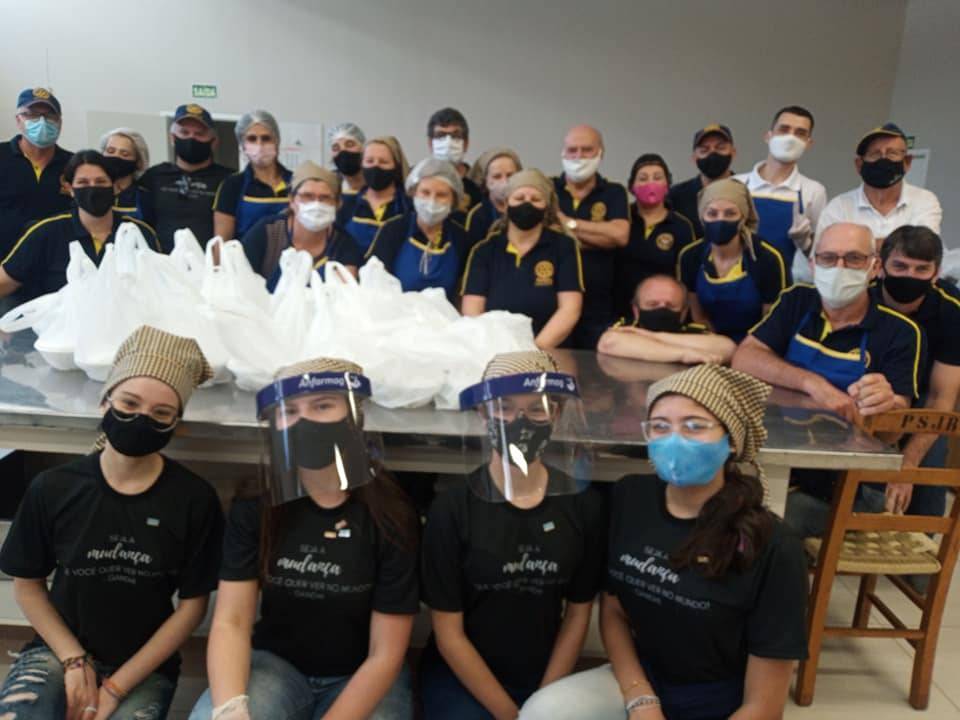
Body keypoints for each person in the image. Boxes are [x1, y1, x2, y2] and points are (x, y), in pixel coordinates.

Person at [519, 364, 808, 720]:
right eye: (660, 427)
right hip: (644, 677)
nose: (674, 440)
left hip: (720, 700)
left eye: (694, 426)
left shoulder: (773, 546)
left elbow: (764, 706)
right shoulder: (631, 497)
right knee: (544, 712)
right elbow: (613, 610)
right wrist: (641, 699)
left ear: (731, 439)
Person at [0, 326, 224, 720]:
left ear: (176, 422)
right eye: (129, 403)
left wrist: (117, 687)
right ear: (105, 401)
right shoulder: (54, 488)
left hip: (144, 666)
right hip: (58, 650)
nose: (141, 418)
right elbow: (27, 585)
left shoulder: (194, 500)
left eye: (161, 413)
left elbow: (192, 608)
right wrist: (73, 661)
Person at [190, 358, 419, 720]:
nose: (304, 420)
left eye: (323, 406)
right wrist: (230, 709)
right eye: (289, 411)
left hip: (361, 673)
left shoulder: (391, 516)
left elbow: (385, 653)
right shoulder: (256, 506)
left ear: (354, 415)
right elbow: (231, 620)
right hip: (274, 666)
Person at [420, 351, 607, 719]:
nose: (519, 421)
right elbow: (448, 632)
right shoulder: (452, 508)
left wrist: (544, 701)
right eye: (503, 408)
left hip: (544, 671)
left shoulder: (582, 504)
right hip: (461, 674)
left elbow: (577, 614)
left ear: (555, 414)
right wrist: (510, 714)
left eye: (536, 409)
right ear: (483, 413)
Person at [732, 222, 926, 536]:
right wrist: (814, 385)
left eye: (853, 259)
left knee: (758, 522)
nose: (839, 268)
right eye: (828, 258)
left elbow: (892, 434)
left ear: (875, 268)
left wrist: (884, 406)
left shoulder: (901, 332)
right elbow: (745, 357)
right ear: (813, 264)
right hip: (778, 459)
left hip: (845, 486)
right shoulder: (797, 300)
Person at [871, 226, 960, 519]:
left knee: (928, 468)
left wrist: (907, 468)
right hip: (870, 390)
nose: (909, 276)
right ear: (880, 266)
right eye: (900, 266)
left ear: (936, 274)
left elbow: (941, 399)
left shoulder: (952, 311)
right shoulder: (861, 296)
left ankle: (923, 537)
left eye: (921, 269)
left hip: (925, 400)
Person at [0, 150, 160, 304]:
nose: (93, 188)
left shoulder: (139, 233)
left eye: (100, 182)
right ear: (70, 189)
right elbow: (5, 281)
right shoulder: (46, 233)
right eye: (83, 182)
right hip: (59, 321)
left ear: (115, 187)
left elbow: (161, 288)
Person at [461, 170, 584, 349]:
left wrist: (533, 351)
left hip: (548, 352)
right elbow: (472, 311)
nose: (527, 204)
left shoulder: (564, 247)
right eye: (519, 198)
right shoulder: (484, 251)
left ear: (547, 207)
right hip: (493, 351)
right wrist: (496, 350)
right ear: (506, 204)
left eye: (536, 199)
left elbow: (569, 309)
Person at [677, 178, 787, 342]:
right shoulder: (690, 256)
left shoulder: (766, 258)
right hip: (709, 341)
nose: (720, 220)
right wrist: (718, 344)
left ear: (743, 217)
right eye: (712, 213)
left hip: (757, 343)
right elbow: (698, 316)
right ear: (702, 217)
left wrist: (744, 350)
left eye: (730, 214)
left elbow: (771, 322)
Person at [553, 125, 630, 350]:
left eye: (587, 150)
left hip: (600, 305)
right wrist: (599, 235)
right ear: (562, 153)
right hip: (553, 303)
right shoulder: (548, 189)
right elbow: (547, 235)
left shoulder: (614, 192)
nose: (578, 156)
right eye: (572, 150)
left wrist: (568, 223)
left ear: (600, 153)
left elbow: (620, 236)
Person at [241, 161, 363, 291]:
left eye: (325, 198)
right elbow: (239, 278)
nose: (316, 204)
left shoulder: (344, 245)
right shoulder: (268, 232)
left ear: (338, 204)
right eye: (307, 196)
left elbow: (344, 294)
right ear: (292, 200)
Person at [817, 123, 942, 244]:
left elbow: (924, 249)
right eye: (874, 154)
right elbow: (823, 252)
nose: (883, 159)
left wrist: (854, 247)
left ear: (907, 162)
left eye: (892, 153)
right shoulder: (838, 207)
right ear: (859, 164)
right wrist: (901, 246)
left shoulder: (924, 201)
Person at [734, 105, 827, 268]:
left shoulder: (814, 191)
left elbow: (821, 256)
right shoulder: (737, 184)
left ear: (808, 143)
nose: (790, 138)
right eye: (784, 130)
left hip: (787, 280)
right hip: (738, 276)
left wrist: (805, 244)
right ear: (768, 136)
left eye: (800, 133)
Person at [366, 157, 471, 300]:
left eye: (441, 195)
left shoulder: (460, 238)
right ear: (413, 193)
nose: (432, 201)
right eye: (425, 193)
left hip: (444, 313)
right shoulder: (394, 230)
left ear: (453, 200)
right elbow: (375, 282)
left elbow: (462, 292)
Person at [139, 104, 232, 251]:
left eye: (199, 134)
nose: (191, 138)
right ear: (172, 138)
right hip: (161, 262)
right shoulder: (153, 176)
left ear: (214, 141)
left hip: (209, 262)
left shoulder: (229, 180)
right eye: (184, 132)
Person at [614, 153, 696, 319]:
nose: (651, 184)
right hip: (618, 309)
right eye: (643, 179)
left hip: (664, 311)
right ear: (631, 186)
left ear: (667, 185)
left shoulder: (681, 226)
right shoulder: (619, 220)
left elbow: (687, 276)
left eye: (657, 178)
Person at [598, 274, 736, 365]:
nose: (662, 310)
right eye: (653, 304)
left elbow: (727, 348)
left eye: (670, 305)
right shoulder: (626, 327)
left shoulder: (693, 331)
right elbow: (608, 343)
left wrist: (651, 336)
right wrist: (683, 355)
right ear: (636, 310)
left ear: (684, 312)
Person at [0, 88, 73, 259]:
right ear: (18, 120)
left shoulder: (73, 164)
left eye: (49, 115)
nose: (42, 121)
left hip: (55, 262)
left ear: (60, 122)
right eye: (32, 114)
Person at [214, 110, 292, 241]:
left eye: (266, 138)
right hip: (244, 254)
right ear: (243, 145)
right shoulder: (232, 185)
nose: (259, 145)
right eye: (252, 139)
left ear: (277, 141)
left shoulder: (296, 182)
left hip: (292, 254)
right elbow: (221, 242)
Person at [342, 136, 411, 253]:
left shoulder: (408, 206)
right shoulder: (346, 204)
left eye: (383, 162)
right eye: (369, 161)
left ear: (396, 166)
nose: (376, 166)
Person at [668, 124, 737, 238]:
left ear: (733, 152)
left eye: (720, 148)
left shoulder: (748, 191)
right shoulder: (675, 196)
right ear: (694, 158)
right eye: (704, 150)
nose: (713, 153)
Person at [426, 107, 482, 221]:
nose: (448, 142)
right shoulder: (418, 181)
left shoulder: (478, 185)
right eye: (441, 135)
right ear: (430, 143)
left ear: (466, 143)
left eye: (455, 136)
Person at [465, 147, 523, 247]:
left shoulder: (528, 206)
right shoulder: (477, 216)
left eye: (510, 175)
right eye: (497, 176)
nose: (505, 181)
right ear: (485, 181)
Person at [99, 128, 150, 220]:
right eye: (110, 151)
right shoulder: (91, 192)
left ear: (138, 162)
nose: (116, 156)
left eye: (125, 154)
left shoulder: (146, 199)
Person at [328, 122, 367, 225]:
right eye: (336, 148)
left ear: (363, 148)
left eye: (350, 144)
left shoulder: (376, 183)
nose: (343, 151)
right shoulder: (328, 186)